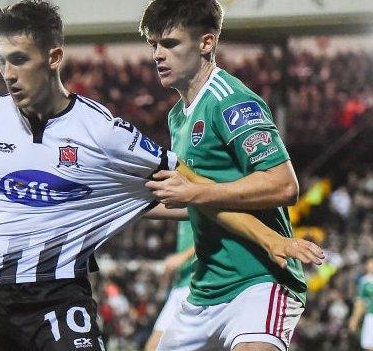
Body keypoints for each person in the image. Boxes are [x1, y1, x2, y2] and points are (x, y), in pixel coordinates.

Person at [0, 2, 322, 351]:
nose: (9, 73)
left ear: (54, 58)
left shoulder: (104, 132)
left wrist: (270, 240)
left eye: (20, 59)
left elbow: (192, 188)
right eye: (2, 62)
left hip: (60, 299)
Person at [141, 1, 320, 350]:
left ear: (207, 43)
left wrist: (193, 194)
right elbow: (195, 203)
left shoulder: (231, 100)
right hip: (205, 288)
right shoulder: (178, 115)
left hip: (260, 278)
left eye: (170, 43)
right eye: (154, 45)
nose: (158, 55)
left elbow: (283, 185)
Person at [144, 221, 194, 351]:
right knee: (153, 346)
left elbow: (215, 237)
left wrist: (182, 257)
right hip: (179, 285)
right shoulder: (181, 210)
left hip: (195, 285)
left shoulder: (199, 202)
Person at [349, 257, 373, 351]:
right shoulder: (365, 281)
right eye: (370, 263)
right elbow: (361, 302)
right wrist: (354, 319)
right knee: (369, 345)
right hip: (371, 316)